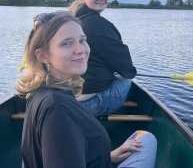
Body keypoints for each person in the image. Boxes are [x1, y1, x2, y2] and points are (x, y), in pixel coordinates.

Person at [16, 11, 157, 168]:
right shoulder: (57, 107)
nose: (81, 49)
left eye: (82, 40)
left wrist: (107, 157)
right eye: (66, 43)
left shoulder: (40, 91)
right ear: (43, 56)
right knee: (147, 139)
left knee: (144, 139)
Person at [69, 0, 137, 116]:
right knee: (126, 79)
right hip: (90, 103)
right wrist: (128, 72)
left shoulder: (72, 21)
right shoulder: (99, 25)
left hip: (70, 99)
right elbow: (126, 67)